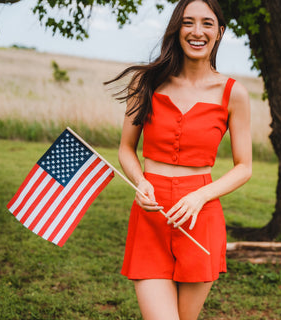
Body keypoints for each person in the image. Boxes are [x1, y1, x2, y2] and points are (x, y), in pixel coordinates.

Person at [106, 0, 252, 319]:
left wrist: (200, 196)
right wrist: (141, 181)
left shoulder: (234, 93)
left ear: (220, 32)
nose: (197, 31)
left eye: (207, 23)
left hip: (201, 218)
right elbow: (126, 149)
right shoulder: (145, 83)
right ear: (177, 29)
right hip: (151, 214)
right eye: (188, 22)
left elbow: (244, 167)